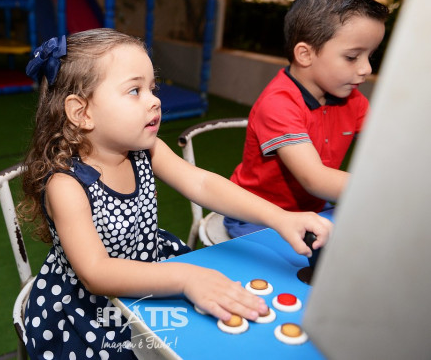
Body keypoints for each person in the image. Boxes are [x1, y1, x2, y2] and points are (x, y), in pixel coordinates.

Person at [17, 28, 332, 359]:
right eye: (135, 90)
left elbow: (201, 184)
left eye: (152, 88)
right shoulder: (66, 185)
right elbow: (96, 272)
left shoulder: (146, 150)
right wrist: (184, 278)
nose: (155, 100)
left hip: (152, 270)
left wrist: (280, 217)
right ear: (82, 113)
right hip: (91, 310)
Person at [224, 0, 389, 238]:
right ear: (305, 54)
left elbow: (388, 149)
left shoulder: (353, 100)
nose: (366, 69)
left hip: (313, 209)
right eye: (352, 57)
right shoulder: (278, 103)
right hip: (257, 215)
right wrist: (389, 189)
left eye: (371, 56)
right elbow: (315, 179)